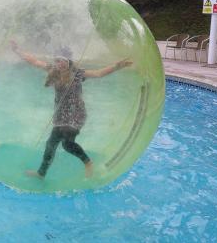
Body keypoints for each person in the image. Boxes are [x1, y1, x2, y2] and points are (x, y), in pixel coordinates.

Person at [11, 41, 132, 179]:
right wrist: (17, 50)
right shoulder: (53, 71)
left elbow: (98, 74)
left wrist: (118, 66)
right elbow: (34, 61)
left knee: (67, 144)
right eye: (57, 60)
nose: (59, 63)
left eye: (62, 60)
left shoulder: (77, 74)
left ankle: (88, 162)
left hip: (76, 114)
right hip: (61, 115)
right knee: (51, 144)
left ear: (69, 61)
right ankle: (41, 173)